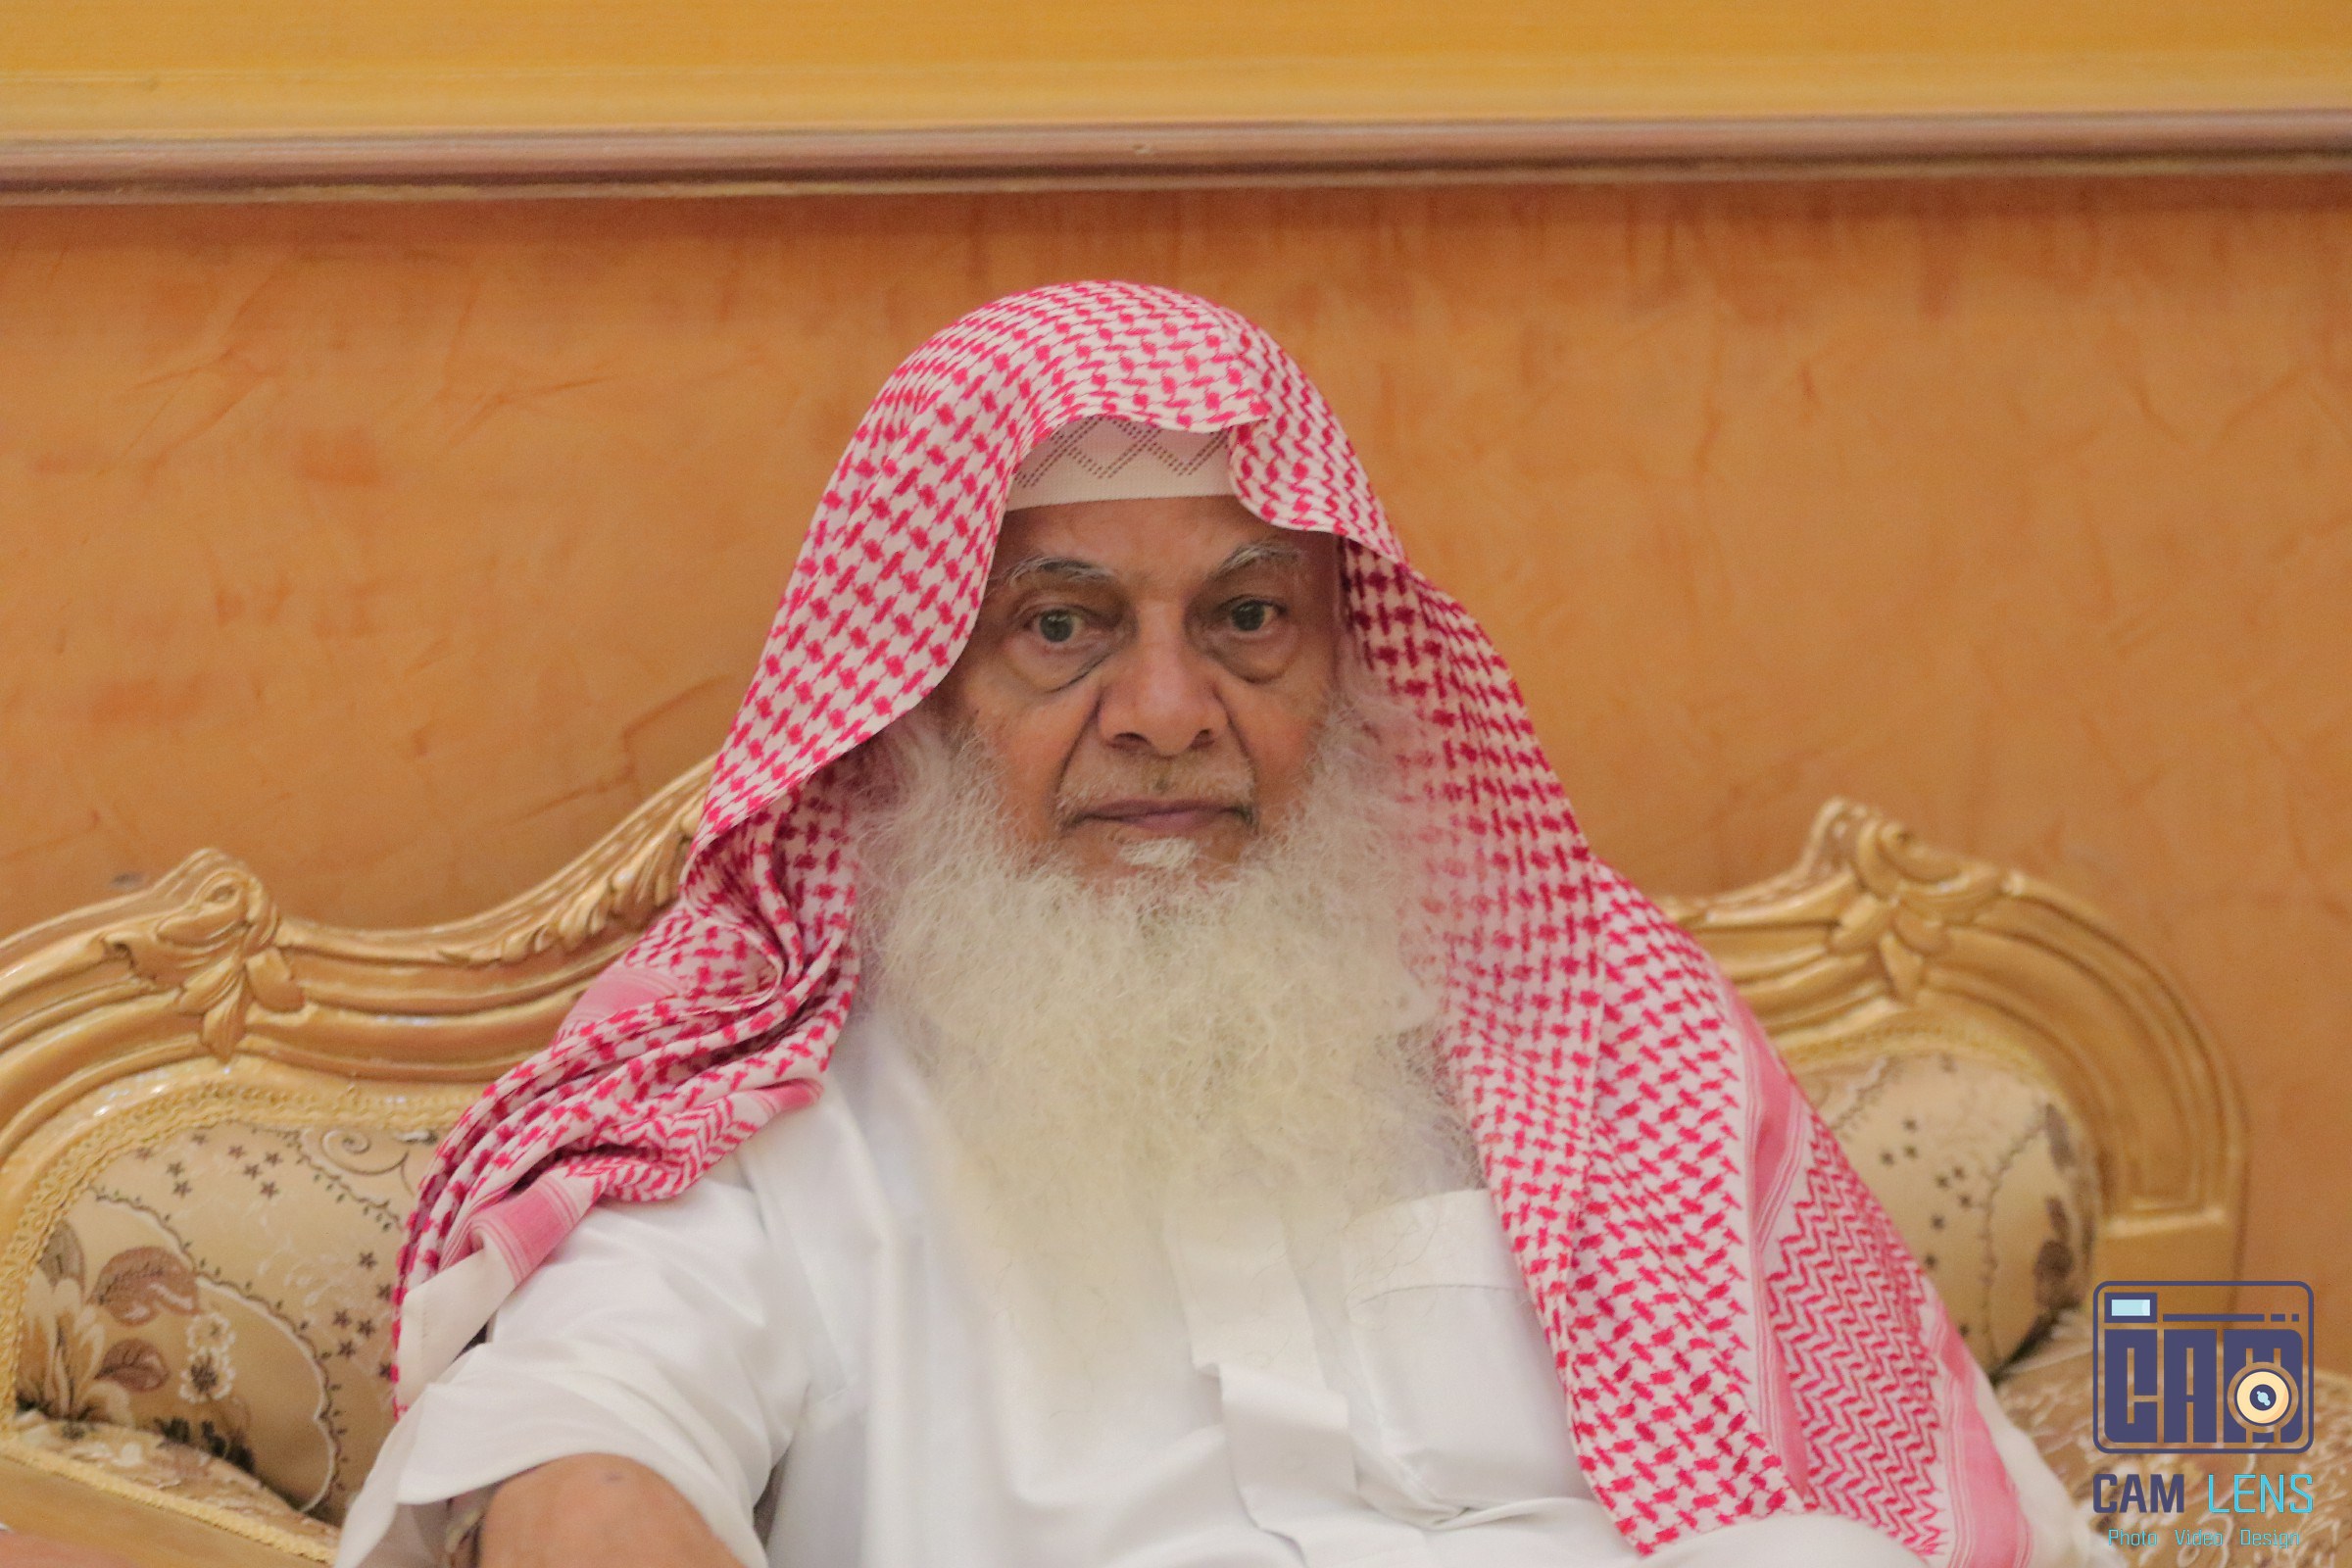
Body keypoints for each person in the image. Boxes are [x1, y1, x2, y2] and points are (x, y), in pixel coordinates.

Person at [339, 282, 2113, 1568]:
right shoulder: (771, 1098)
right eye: (1063, 627)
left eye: (1249, 618)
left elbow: (1944, 1508)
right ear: (914, 698)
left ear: (1343, 664)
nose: (1169, 712)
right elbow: (593, 1460)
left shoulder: (1595, 1033)